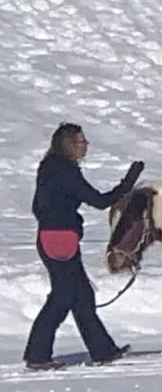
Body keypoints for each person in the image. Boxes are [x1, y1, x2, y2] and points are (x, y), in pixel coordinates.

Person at [25, 123, 143, 370]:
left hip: (55, 237)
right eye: (82, 142)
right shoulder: (63, 171)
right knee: (62, 298)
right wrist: (128, 183)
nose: (86, 146)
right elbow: (99, 201)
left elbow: (39, 206)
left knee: (82, 296)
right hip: (59, 240)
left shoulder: (52, 168)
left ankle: (102, 350)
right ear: (70, 144)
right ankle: (37, 355)